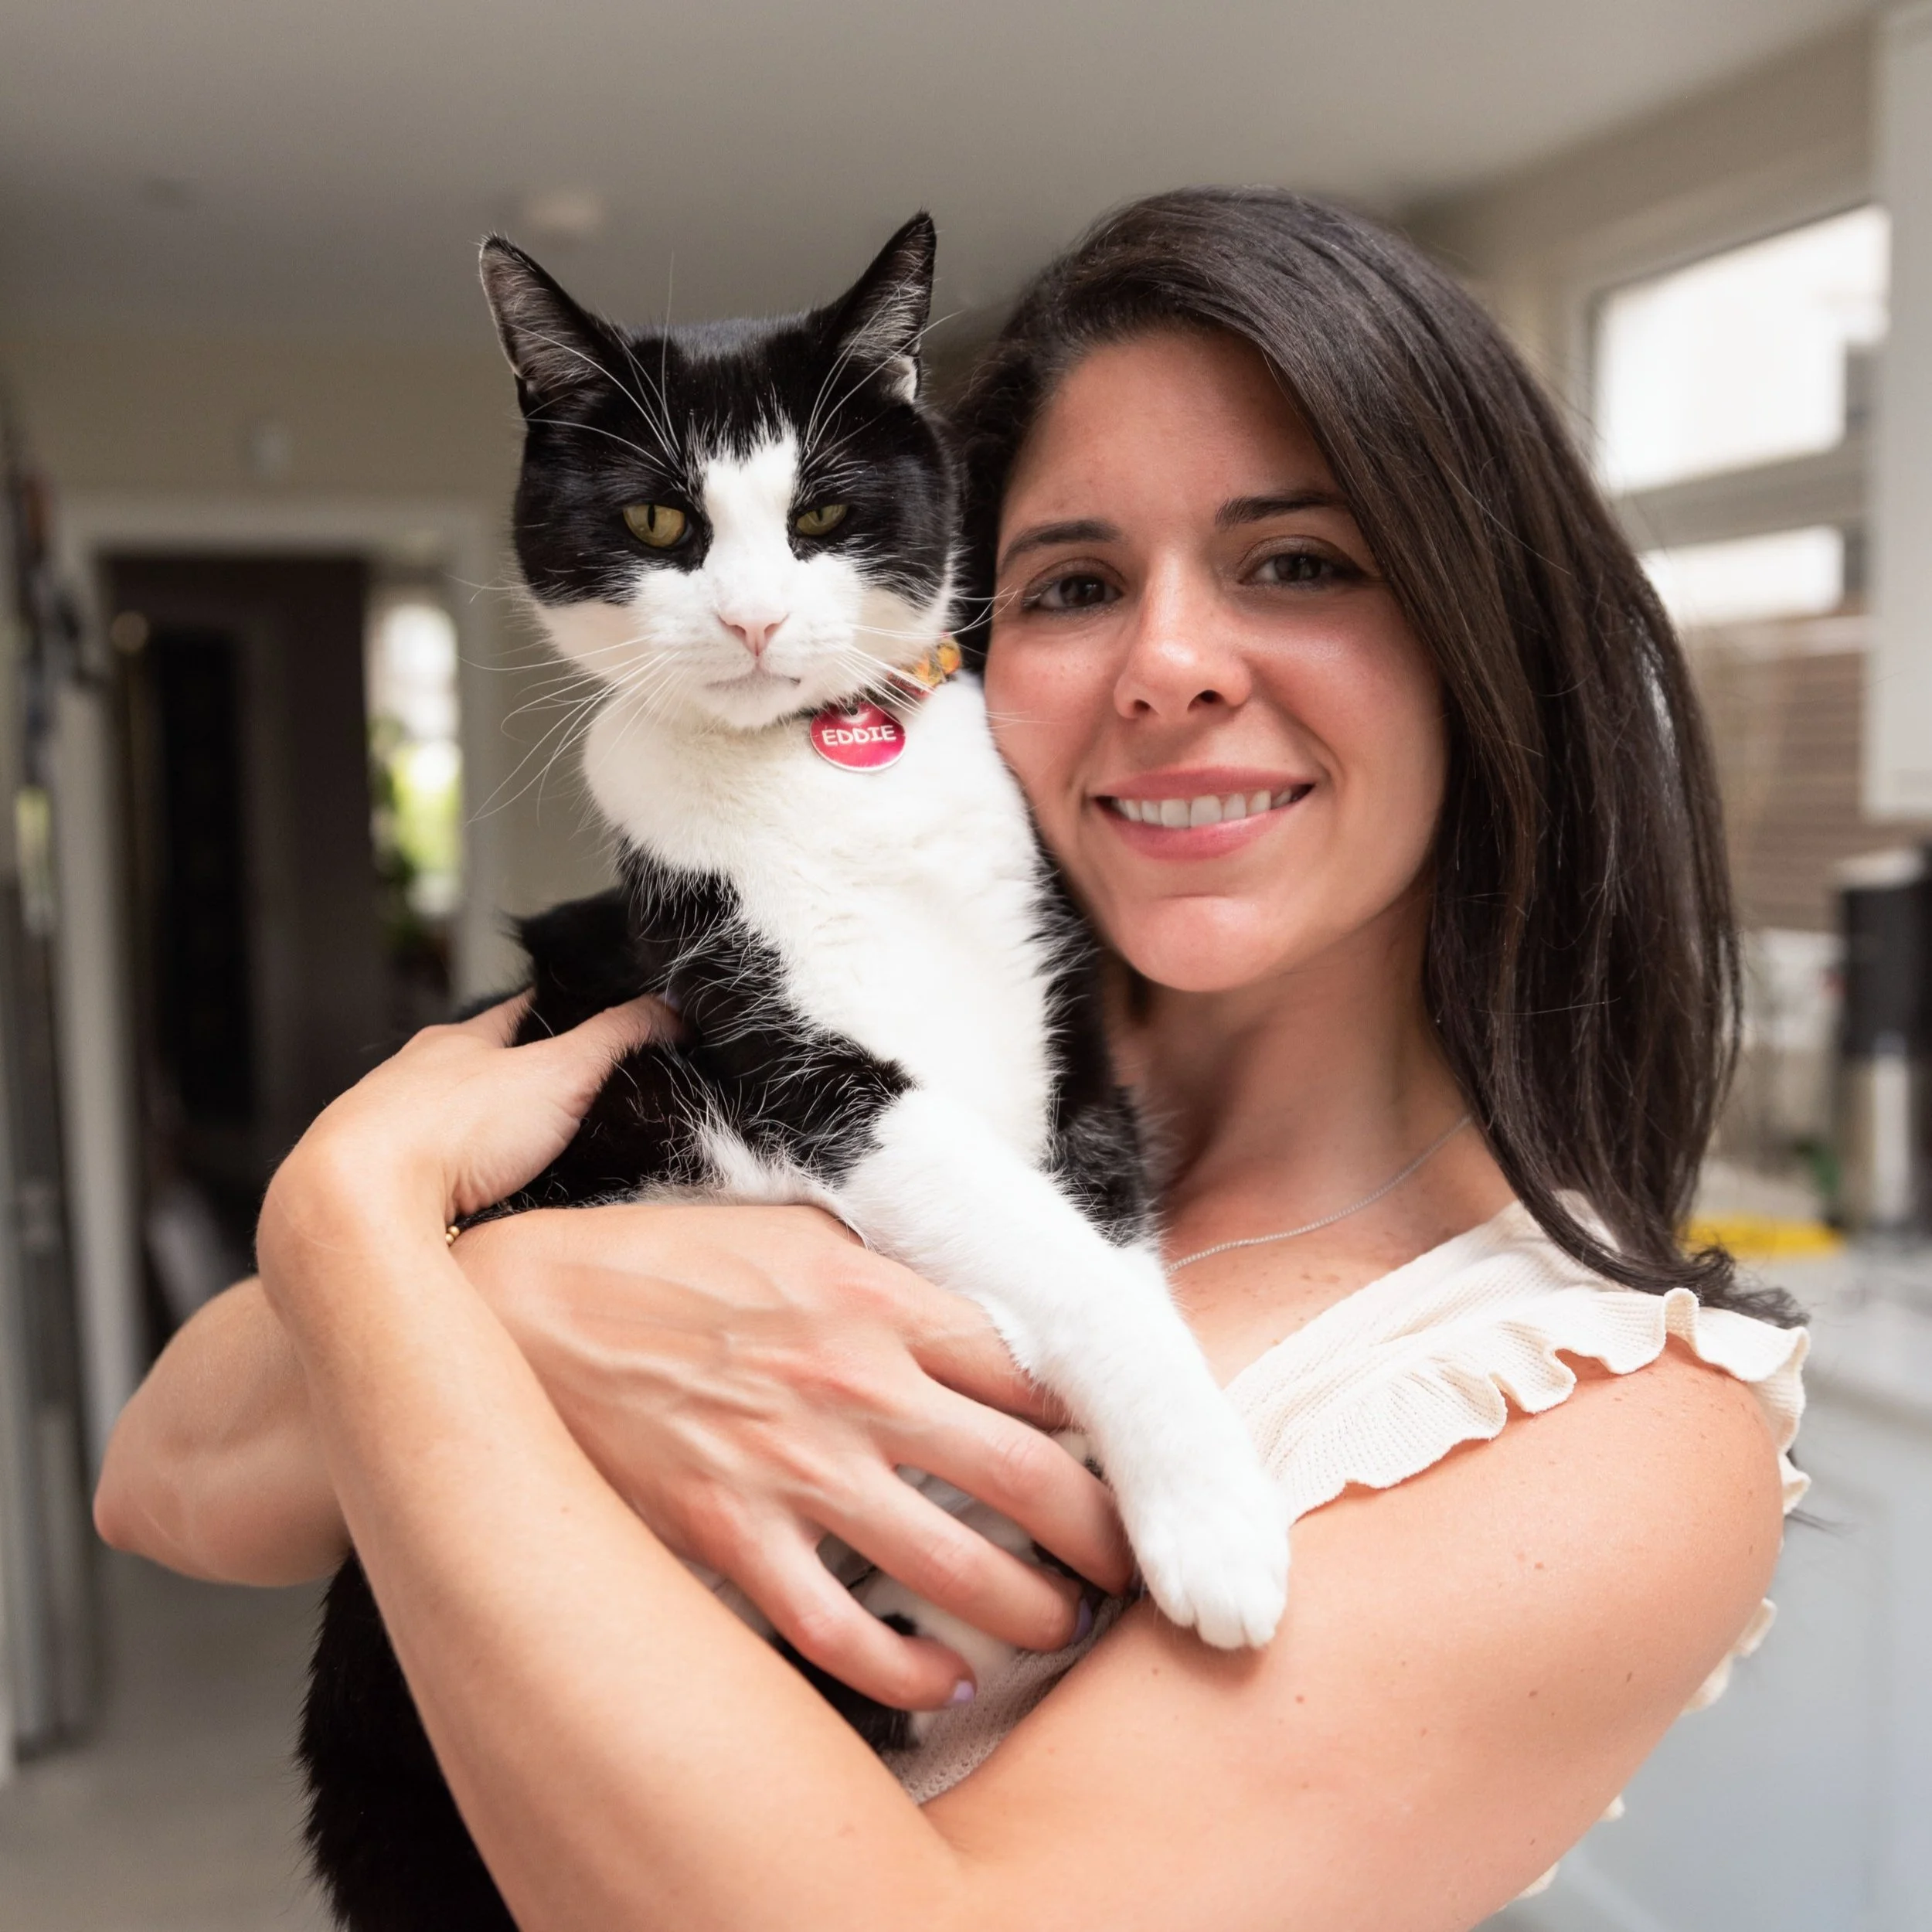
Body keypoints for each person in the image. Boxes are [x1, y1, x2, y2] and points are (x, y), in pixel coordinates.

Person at [97, 189, 1806, 1930]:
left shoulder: (1597, 1426)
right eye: (1071, 582)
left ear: (1485, 637)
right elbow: (164, 1474)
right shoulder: (741, 1002)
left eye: (1296, 563)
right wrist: (508, 1302)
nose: (1167, 666)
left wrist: (376, 1239)